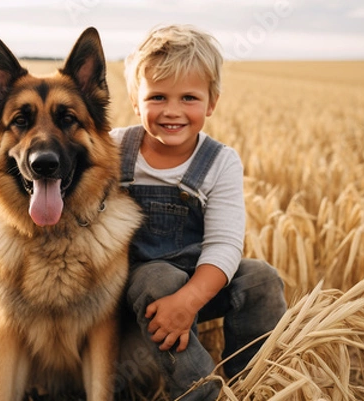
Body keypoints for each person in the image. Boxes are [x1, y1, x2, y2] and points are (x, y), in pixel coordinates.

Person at [110, 24, 287, 400]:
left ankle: (250, 385)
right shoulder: (114, 149)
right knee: (159, 277)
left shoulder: (220, 161)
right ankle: (203, 393)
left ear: (211, 102)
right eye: (157, 97)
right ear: (135, 100)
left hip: (197, 281)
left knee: (261, 278)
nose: (172, 111)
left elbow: (224, 245)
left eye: (188, 98)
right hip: (130, 287)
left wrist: (189, 301)